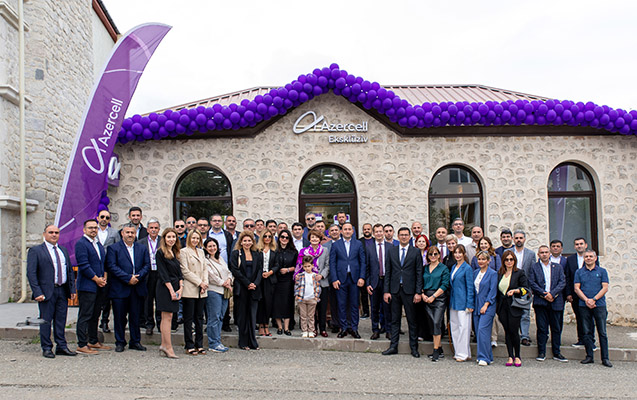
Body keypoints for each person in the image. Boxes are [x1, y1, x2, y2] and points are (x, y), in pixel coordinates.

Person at [27, 224, 77, 358]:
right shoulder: (36, 251)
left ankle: (61, 346)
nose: (54, 235)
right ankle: (47, 347)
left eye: (56, 232)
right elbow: (31, 273)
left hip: (62, 290)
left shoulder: (63, 250)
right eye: (51, 232)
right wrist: (37, 292)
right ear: (44, 234)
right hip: (46, 292)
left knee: (61, 320)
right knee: (46, 321)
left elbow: (69, 271)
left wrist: (72, 289)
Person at [106, 222, 150, 353]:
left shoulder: (142, 248)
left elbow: (147, 265)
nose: (130, 235)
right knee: (120, 317)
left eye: (132, 232)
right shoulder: (113, 248)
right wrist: (127, 278)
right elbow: (112, 266)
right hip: (120, 288)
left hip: (137, 287)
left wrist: (137, 277)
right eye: (127, 232)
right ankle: (120, 342)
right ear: (122, 233)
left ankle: (135, 341)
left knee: (135, 317)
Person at [382, 227, 423, 358]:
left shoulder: (415, 252)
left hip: (410, 291)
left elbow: (419, 273)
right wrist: (386, 291)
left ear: (409, 237)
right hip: (394, 290)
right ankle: (393, 346)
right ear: (398, 236)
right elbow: (388, 272)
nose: (404, 237)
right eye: (401, 235)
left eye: (406, 235)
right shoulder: (391, 251)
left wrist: (418, 292)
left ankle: (414, 348)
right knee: (395, 320)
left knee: (412, 320)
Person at [75, 219, 110, 355]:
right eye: (90, 228)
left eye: (95, 228)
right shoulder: (81, 244)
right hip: (87, 285)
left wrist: (104, 278)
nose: (93, 230)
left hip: (99, 285)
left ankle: (93, 340)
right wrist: (96, 279)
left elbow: (102, 263)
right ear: (84, 230)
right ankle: (82, 344)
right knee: (85, 315)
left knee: (95, 314)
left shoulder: (97, 244)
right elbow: (84, 265)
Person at [527, 245, 567, 362]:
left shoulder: (558, 267)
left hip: (555, 301)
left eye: (546, 252)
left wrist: (552, 294)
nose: (544, 254)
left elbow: (562, 282)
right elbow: (532, 282)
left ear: (549, 254)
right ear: (538, 255)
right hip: (540, 301)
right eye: (542, 252)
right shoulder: (534, 267)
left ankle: (557, 352)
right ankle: (541, 352)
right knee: (542, 328)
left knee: (556, 328)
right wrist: (544, 294)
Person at [575, 250, 612, 367]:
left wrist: (594, 299)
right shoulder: (579, 272)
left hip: (599, 305)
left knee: (602, 332)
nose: (588, 258)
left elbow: (605, 287)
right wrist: (586, 300)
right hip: (584, 305)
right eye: (586, 256)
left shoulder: (602, 271)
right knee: (586, 332)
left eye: (591, 256)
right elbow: (577, 288)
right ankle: (589, 356)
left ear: (595, 258)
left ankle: (605, 358)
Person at [329, 222, 367, 339]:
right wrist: (334, 279)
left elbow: (363, 262)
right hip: (341, 279)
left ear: (352, 231)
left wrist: (362, 277)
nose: (347, 231)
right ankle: (344, 328)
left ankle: (354, 328)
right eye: (345, 229)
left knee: (354, 304)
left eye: (349, 229)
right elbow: (332, 263)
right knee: (341, 304)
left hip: (355, 279)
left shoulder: (358, 244)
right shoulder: (336, 245)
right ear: (341, 231)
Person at [229, 231, 263, 350]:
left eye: (249, 241)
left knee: (252, 317)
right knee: (242, 316)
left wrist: (255, 284)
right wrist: (247, 283)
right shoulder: (236, 254)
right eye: (245, 241)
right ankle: (243, 342)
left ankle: (253, 342)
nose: (247, 243)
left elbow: (260, 270)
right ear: (241, 242)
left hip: (254, 289)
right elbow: (235, 270)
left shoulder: (257, 254)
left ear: (253, 242)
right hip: (242, 288)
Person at [496, 250, 529, 367]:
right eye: (506, 259)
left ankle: (518, 356)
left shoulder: (519, 273)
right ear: (503, 261)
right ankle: (510, 355)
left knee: (514, 331)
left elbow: (526, 289)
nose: (509, 262)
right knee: (507, 331)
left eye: (511, 259)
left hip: (514, 306)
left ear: (514, 260)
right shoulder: (500, 273)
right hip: (502, 307)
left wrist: (516, 290)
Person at [179, 229, 209, 355]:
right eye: (193, 238)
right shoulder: (183, 252)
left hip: (201, 290)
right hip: (190, 288)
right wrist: (199, 282)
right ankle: (189, 344)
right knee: (189, 318)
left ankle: (199, 344)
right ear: (189, 239)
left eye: (197, 238)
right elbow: (185, 271)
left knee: (199, 318)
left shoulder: (201, 252)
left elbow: (205, 269)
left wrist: (205, 283)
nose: (195, 240)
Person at [296, 230, 330, 337]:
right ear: (309, 239)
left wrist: (321, 275)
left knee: (322, 307)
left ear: (319, 239)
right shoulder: (305, 251)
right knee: (312, 309)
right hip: (308, 284)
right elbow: (300, 266)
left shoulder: (325, 250)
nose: (314, 239)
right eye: (312, 237)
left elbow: (327, 265)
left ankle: (323, 329)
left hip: (322, 282)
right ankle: (313, 329)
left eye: (316, 237)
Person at [155, 228, 183, 359]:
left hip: (176, 287)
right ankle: (168, 347)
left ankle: (163, 344)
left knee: (169, 316)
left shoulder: (175, 252)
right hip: (165, 288)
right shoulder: (160, 253)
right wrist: (171, 290)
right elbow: (163, 274)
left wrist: (180, 287)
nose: (171, 239)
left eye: (173, 237)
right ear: (164, 239)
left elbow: (179, 273)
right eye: (169, 237)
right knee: (166, 317)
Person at [565, 237, 596, 348]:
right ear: (574, 246)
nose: (579, 246)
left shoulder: (591, 258)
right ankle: (581, 339)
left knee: (589, 318)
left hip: (589, 295)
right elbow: (567, 277)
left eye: (581, 244)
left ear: (585, 245)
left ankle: (591, 341)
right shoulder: (570, 259)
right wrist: (568, 293)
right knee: (579, 317)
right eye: (577, 244)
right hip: (575, 295)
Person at [203, 237, 233, 353]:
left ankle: (218, 340)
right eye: (209, 246)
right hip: (213, 291)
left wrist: (229, 280)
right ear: (206, 248)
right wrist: (223, 283)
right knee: (214, 317)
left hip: (224, 291)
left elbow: (228, 271)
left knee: (221, 316)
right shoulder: (206, 260)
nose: (212, 248)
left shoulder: (220, 258)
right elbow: (211, 276)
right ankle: (213, 343)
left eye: (214, 246)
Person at [422, 246, 450, 362]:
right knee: (431, 323)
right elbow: (420, 282)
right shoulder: (425, 268)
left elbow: (445, 284)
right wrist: (422, 294)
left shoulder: (443, 268)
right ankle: (440, 349)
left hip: (438, 298)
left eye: (435, 254)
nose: (433, 256)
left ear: (439, 255)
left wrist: (434, 296)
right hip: (426, 298)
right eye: (430, 254)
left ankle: (435, 351)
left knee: (436, 322)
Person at [366, 224, 392, 340]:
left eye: (380, 231)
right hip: (374, 282)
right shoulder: (369, 248)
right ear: (373, 233)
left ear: (384, 233)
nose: (379, 234)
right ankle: (375, 330)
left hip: (387, 281)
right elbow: (366, 267)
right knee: (374, 308)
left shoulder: (390, 247)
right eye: (376, 232)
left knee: (387, 307)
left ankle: (388, 330)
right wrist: (368, 283)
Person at [449, 245, 474, 362]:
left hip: (463, 302)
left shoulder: (467, 268)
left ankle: (463, 354)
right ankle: (459, 351)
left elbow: (470, 287)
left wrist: (470, 304)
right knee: (454, 327)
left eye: (460, 253)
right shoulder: (454, 267)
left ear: (464, 254)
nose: (457, 255)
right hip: (453, 301)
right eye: (456, 253)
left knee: (463, 328)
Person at [473, 251, 498, 366]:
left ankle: (483, 357)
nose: (481, 261)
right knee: (479, 331)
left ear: (488, 261)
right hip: (476, 305)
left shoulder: (493, 274)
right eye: (479, 259)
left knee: (483, 330)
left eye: (483, 259)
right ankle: (488, 356)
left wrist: (486, 305)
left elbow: (493, 291)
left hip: (487, 306)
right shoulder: (475, 273)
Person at [138, 217, 161, 336]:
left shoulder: (163, 241)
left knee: (159, 299)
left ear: (159, 229)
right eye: (151, 228)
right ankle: (149, 324)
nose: (153, 230)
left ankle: (160, 323)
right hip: (147, 274)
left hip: (160, 273)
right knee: (148, 300)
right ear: (147, 229)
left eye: (156, 228)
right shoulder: (141, 243)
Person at [272, 229, 298, 335]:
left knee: (287, 303)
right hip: (276, 280)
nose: (284, 239)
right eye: (282, 237)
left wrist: (288, 270)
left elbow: (297, 266)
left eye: (287, 237)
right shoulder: (274, 251)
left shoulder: (294, 252)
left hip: (288, 280)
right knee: (277, 304)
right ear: (279, 238)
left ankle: (286, 328)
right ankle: (279, 327)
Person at [513, 230, 536, 346]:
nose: (519, 240)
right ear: (513, 239)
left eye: (521, 238)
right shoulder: (508, 252)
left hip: (525, 287)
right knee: (513, 313)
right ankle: (514, 335)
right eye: (516, 238)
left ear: (524, 239)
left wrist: (531, 288)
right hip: (512, 286)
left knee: (525, 313)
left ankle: (525, 336)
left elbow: (532, 271)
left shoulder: (530, 254)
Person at [256, 230, 278, 336]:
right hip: (260, 279)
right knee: (261, 303)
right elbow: (256, 264)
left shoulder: (274, 250)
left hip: (270, 279)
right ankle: (261, 325)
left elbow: (277, 264)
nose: (267, 238)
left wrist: (270, 272)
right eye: (265, 236)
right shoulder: (257, 250)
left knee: (268, 303)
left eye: (270, 236)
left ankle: (266, 325)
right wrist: (261, 273)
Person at [295, 255, 322, 338]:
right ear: (303, 267)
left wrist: (316, 297)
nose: (307, 268)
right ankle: (304, 331)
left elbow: (318, 287)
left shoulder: (315, 276)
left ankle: (311, 330)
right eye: (305, 266)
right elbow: (297, 286)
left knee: (311, 316)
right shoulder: (300, 276)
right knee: (303, 316)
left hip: (312, 299)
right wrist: (297, 295)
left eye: (309, 266)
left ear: (312, 266)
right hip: (302, 299)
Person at [414, 234, 432, 342]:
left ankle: (428, 333)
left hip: (428, 285)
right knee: (418, 312)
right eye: (419, 241)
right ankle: (419, 333)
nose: (421, 243)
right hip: (416, 286)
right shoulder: (413, 253)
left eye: (423, 241)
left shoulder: (430, 254)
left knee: (427, 312)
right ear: (416, 243)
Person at [324, 224, 342, 333]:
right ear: (329, 233)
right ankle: (335, 323)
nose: (334, 232)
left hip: (344, 277)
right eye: (332, 230)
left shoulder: (345, 243)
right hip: (331, 278)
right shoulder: (325, 246)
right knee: (333, 303)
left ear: (340, 231)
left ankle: (345, 323)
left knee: (344, 303)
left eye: (336, 230)